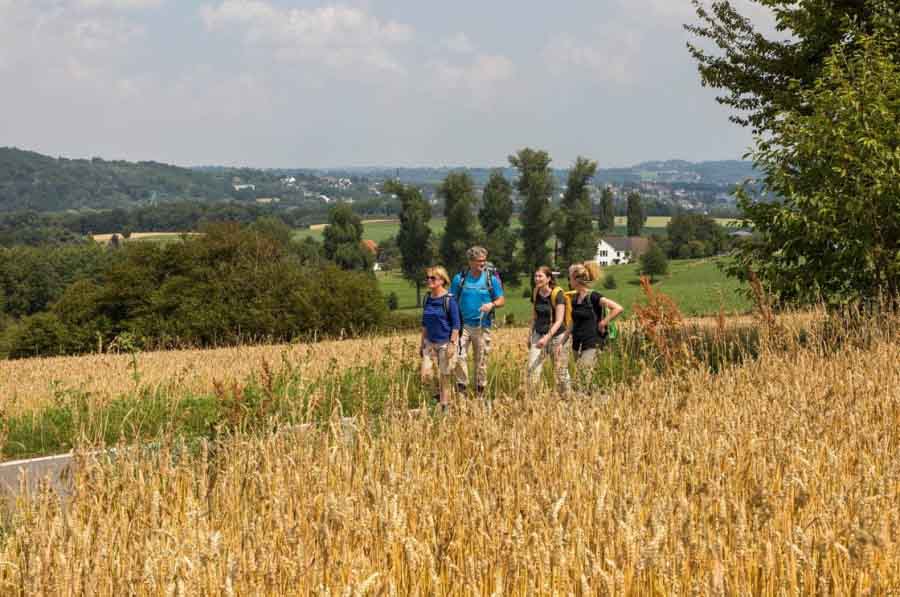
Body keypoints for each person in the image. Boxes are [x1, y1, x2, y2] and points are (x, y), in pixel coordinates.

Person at [450, 246, 505, 397]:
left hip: (482, 326)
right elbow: (451, 300)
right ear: (470, 262)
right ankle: (462, 390)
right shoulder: (459, 279)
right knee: (459, 356)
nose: (483, 264)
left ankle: (480, 392)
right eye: (479, 261)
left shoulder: (491, 279)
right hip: (462, 326)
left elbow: (501, 299)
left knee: (480, 360)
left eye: (484, 261)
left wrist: (492, 305)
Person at [567, 262, 623, 393]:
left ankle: (585, 406)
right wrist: (563, 341)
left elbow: (618, 308)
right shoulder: (575, 299)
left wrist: (603, 322)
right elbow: (572, 322)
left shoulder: (593, 296)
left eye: (569, 278)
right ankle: (600, 399)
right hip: (577, 344)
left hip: (592, 342)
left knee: (582, 379)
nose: (569, 281)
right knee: (584, 379)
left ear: (576, 279)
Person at [420, 266, 461, 410]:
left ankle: (444, 406)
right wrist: (422, 344)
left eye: (433, 278)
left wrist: (452, 344)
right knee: (426, 375)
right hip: (430, 343)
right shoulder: (427, 298)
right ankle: (437, 397)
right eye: (428, 278)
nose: (429, 280)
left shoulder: (449, 300)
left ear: (442, 280)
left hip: (445, 342)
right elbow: (424, 323)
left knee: (444, 376)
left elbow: (456, 325)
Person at [526, 266, 571, 396]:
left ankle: (567, 399)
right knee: (532, 369)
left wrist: (547, 338)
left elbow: (559, 320)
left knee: (560, 371)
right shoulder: (535, 292)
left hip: (557, 336)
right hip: (538, 335)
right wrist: (530, 334)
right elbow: (534, 316)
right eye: (535, 276)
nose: (537, 279)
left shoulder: (557, 294)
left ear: (548, 278)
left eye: (540, 276)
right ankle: (533, 402)